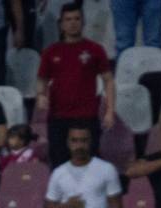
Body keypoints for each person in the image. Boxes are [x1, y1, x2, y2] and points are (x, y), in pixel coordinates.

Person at [37, 3, 114, 167]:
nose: (73, 23)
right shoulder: (51, 51)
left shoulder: (95, 49)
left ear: (83, 22)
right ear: (61, 24)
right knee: (59, 164)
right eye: (68, 19)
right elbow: (41, 80)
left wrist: (110, 111)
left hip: (87, 117)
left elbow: (108, 80)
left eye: (77, 19)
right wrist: (41, 95)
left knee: (90, 164)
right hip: (58, 118)